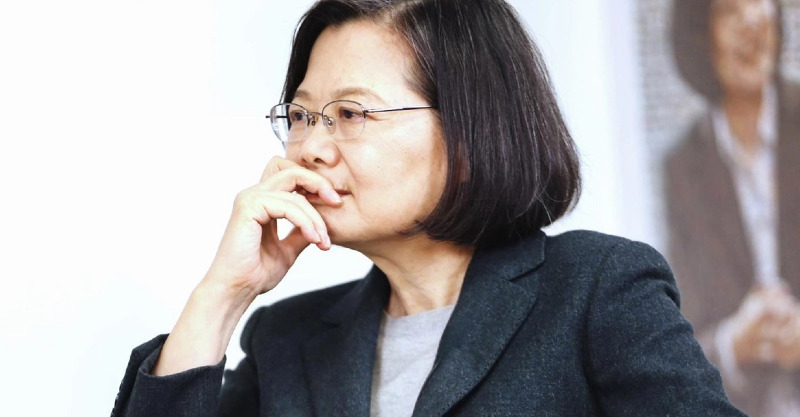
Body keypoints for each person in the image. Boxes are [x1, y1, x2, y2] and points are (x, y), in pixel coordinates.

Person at [112, 0, 744, 416]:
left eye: (351, 113)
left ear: (469, 130)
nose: (311, 148)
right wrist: (223, 297)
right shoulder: (287, 339)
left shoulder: (595, 289)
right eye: (301, 116)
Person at [666, 0, 800, 416]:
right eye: (729, 10)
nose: (751, 20)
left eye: (760, 2)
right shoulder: (682, 168)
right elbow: (684, 337)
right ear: (700, 36)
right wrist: (734, 342)